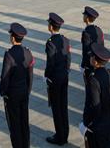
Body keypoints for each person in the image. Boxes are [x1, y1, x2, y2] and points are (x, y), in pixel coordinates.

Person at [0, 22, 34, 148]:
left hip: (12, 95)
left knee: (15, 125)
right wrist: (28, 90)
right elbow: (30, 75)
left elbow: (5, 77)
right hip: (24, 92)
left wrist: (3, 92)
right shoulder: (28, 52)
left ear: (12, 38)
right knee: (24, 122)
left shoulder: (9, 54)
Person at [81, 44, 110, 148]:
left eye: (92, 56)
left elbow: (94, 105)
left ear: (95, 61)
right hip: (108, 122)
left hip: (97, 126)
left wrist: (87, 123)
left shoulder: (93, 79)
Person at [45, 13, 71, 146]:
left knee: (57, 108)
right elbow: (68, 58)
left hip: (55, 79)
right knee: (63, 106)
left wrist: (47, 76)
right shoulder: (65, 39)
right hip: (64, 76)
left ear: (50, 27)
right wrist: (66, 70)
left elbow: (50, 63)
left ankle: (60, 137)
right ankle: (64, 133)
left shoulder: (50, 43)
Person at [81, 6, 103, 77]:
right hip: (98, 61)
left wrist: (83, 65)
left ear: (87, 18)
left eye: (84, 15)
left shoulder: (86, 32)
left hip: (90, 64)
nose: (83, 17)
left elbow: (86, 50)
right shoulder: (98, 29)